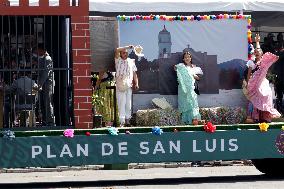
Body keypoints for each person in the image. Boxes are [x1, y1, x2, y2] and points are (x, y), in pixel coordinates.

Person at [247, 48, 281, 123]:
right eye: (255, 52)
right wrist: (248, 84)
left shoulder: (264, 62)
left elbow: (267, 71)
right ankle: (256, 117)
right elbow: (249, 75)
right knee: (256, 97)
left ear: (261, 53)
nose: (257, 53)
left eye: (258, 52)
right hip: (254, 83)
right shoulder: (251, 62)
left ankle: (265, 117)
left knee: (267, 94)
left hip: (263, 82)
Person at [175, 51, 202, 125]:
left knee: (192, 104)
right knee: (185, 104)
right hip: (183, 89)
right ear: (183, 59)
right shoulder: (181, 66)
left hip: (191, 88)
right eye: (185, 57)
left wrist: (192, 74)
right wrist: (180, 68)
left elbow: (198, 78)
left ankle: (194, 120)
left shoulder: (194, 67)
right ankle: (185, 122)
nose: (187, 58)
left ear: (190, 58)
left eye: (188, 57)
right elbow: (175, 68)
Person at [115, 45, 139, 127]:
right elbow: (117, 50)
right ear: (121, 54)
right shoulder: (117, 60)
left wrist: (137, 83)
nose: (125, 54)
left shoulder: (131, 61)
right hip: (120, 84)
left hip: (128, 85)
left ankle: (128, 120)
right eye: (123, 53)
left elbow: (135, 73)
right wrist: (128, 47)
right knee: (122, 102)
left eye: (126, 53)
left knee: (128, 103)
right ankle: (122, 122)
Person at [36, 44, 55, 126]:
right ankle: (45, 120)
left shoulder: (47, 59)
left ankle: (50, 121)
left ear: (42, 50)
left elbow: (45, 73)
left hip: (47, 84)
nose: (37, 52)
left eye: (38, 50)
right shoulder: (43, 58)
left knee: (48, 102)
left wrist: (39, 84)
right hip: (44, 84)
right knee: (43, 102)